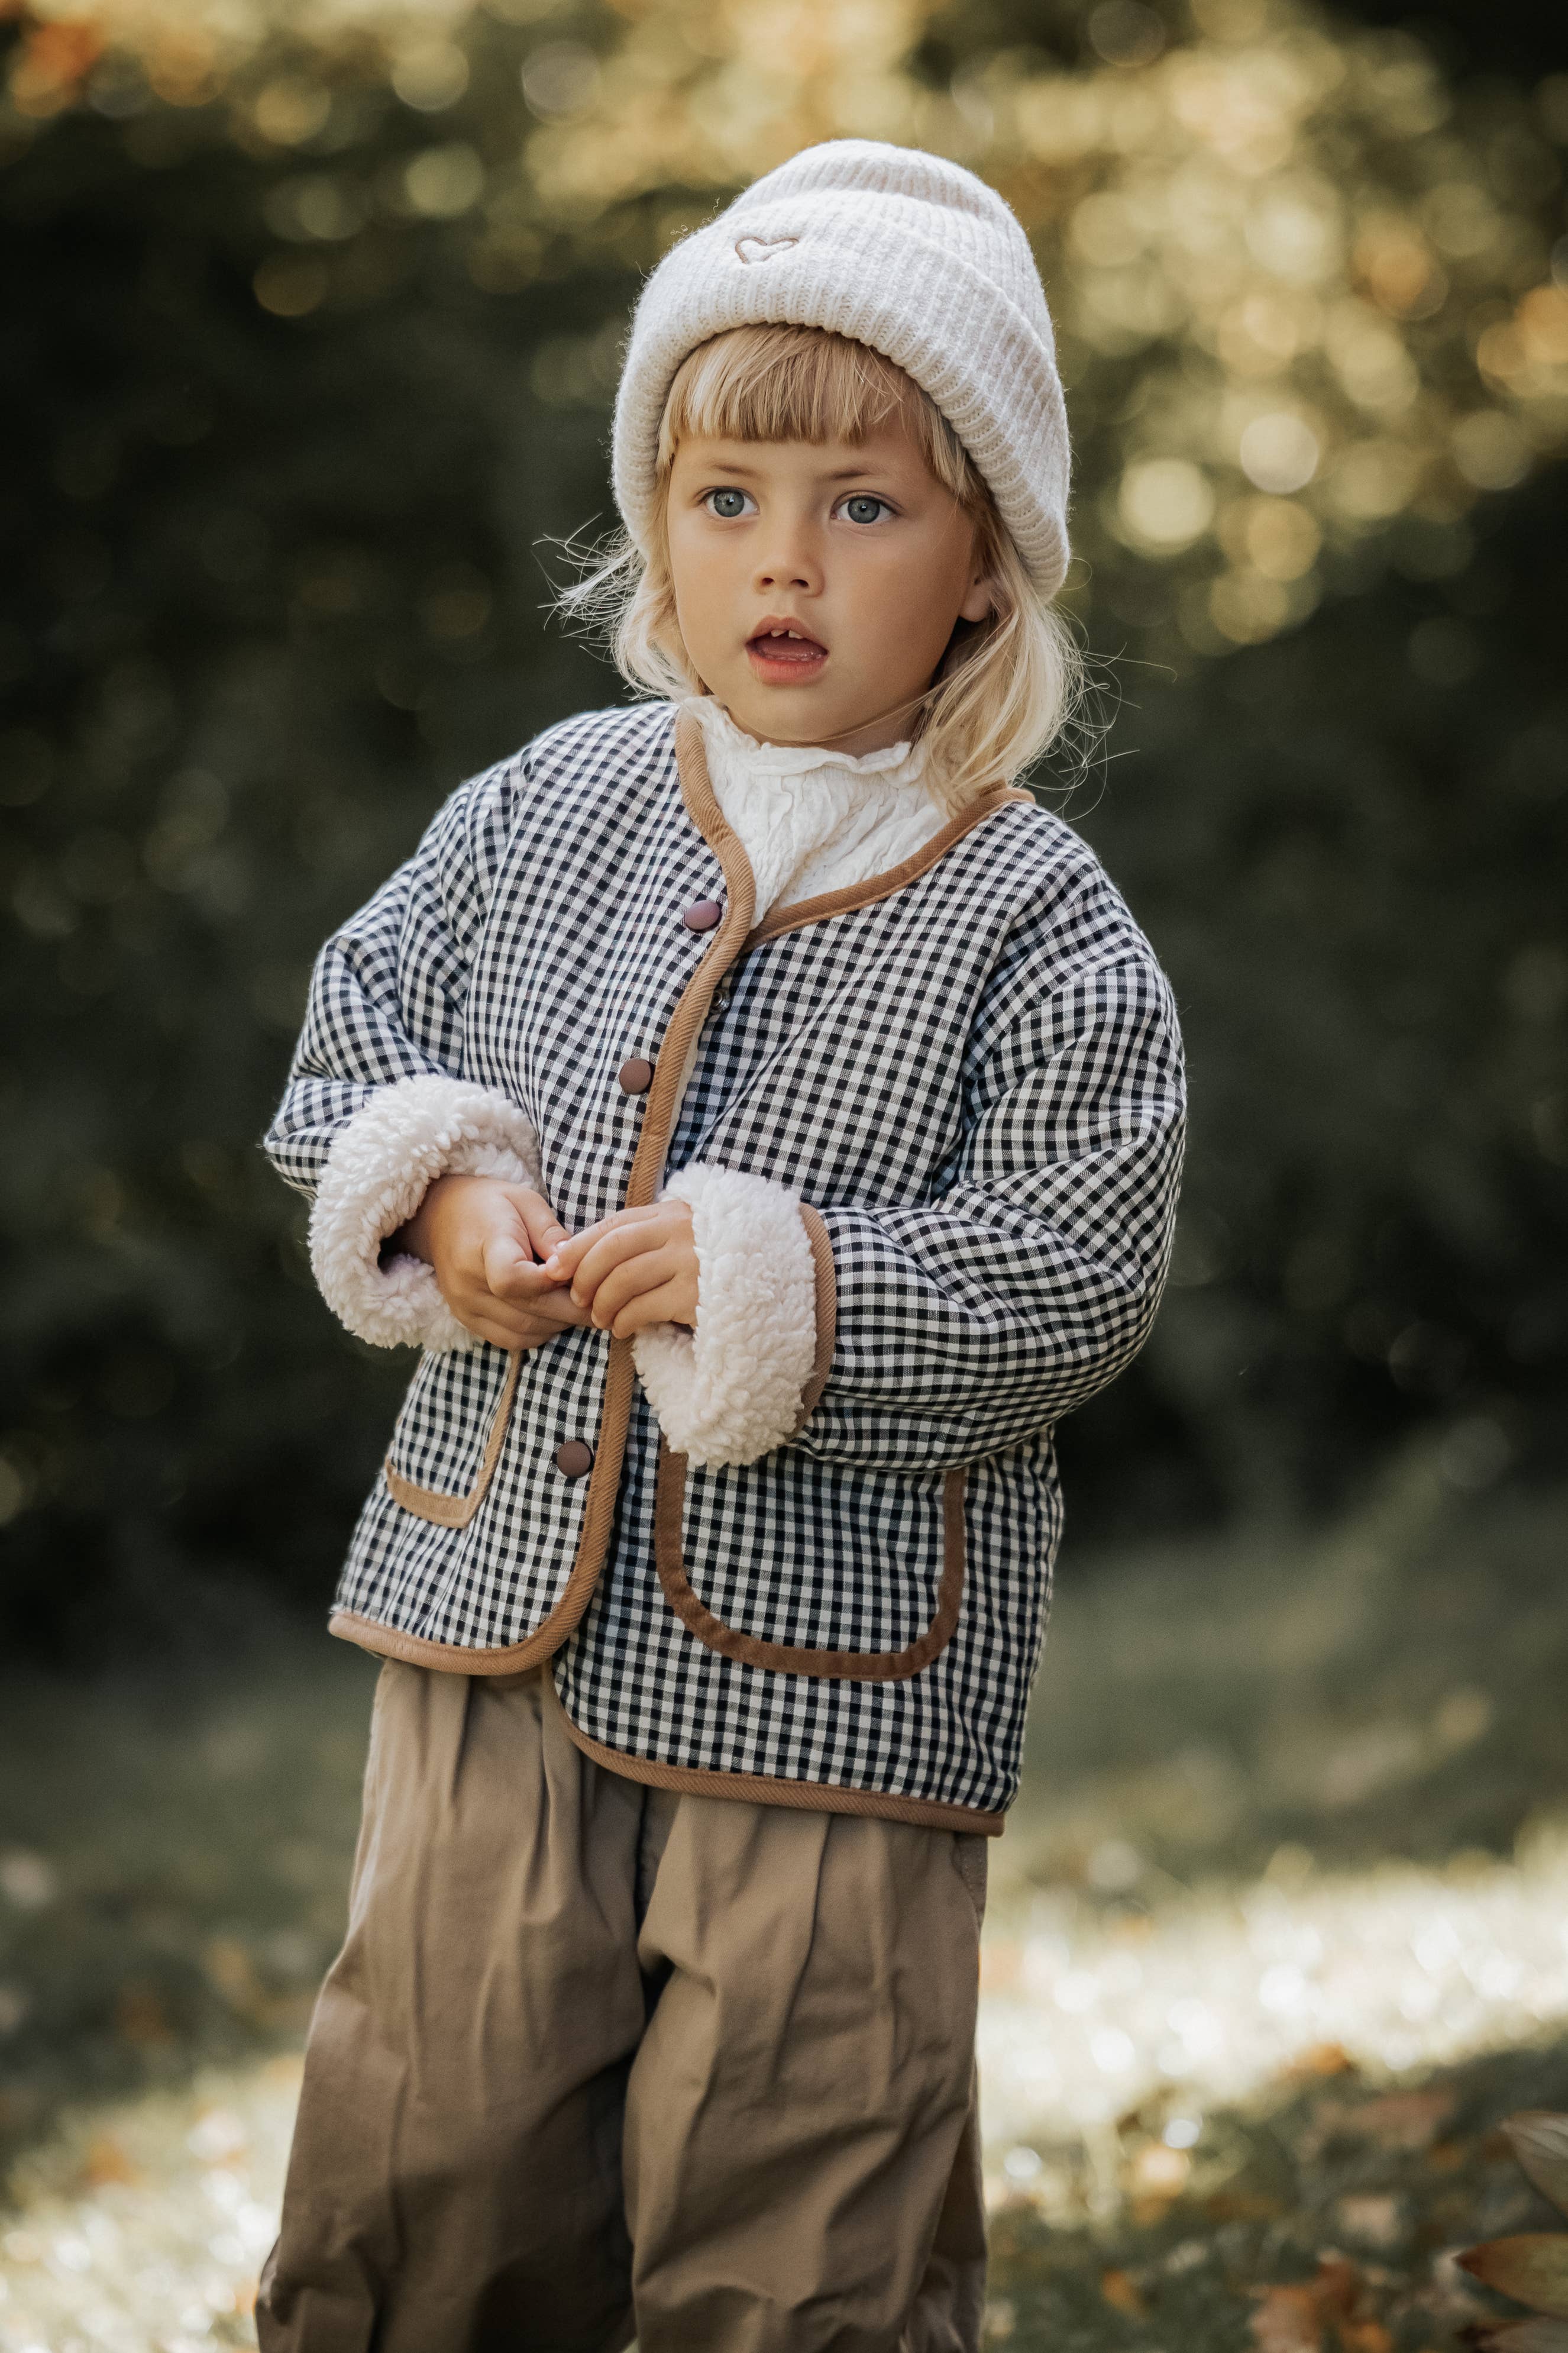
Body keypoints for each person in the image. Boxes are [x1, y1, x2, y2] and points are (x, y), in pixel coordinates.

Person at [256, 138, 1186, 2353]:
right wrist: (447, 1187)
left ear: (983, 563)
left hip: (842, 1686)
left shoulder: (1037, 920)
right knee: (437, 2139)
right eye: (725, 496)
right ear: (658, 536)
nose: (785, 558)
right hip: (493, 1628)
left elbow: (1075, 1262)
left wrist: (783, 1281)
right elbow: (353, 1038)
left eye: (863, 506)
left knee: (802, 2181)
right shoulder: (537, 809)